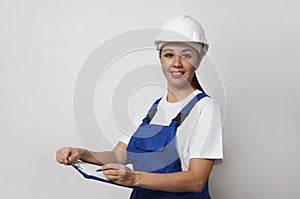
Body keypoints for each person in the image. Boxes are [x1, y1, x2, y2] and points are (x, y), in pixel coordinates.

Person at [56, 15, 223, 199]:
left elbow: (196, 181)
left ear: (198, 61)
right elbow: (118, 156)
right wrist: (81, 153)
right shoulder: (151, 109)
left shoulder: (205, 108)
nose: (176, 63)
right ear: (160, 58)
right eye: (169, 54)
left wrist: (133, 178)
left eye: (187, 55)